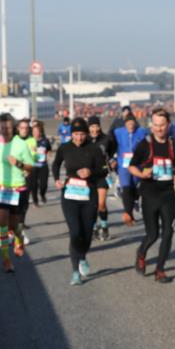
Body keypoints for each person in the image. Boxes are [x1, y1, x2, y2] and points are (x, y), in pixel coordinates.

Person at [129, 107, 175, 283]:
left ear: (168, 125)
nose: (159, 128)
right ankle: (141, 252)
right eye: (155, 125)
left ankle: (160, 270)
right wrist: (141, 174)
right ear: (151, 125)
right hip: (149, 194)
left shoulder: (174, 145)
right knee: (152, 234)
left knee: (168, 233)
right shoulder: (145, 144)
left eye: (162, 125)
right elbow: (132, 166)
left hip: (168, 195)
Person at [52, 117, 108, 285]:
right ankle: (75, 271)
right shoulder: (65, 148)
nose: (79, 138)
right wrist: (56, 179)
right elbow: (55, 165)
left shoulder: (94, 149)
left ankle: (82, 256)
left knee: (87, 233)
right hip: (70, 195)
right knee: (75, 232)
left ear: (87, 134)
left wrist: (91, 172)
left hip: (89, 195)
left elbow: (103, 170)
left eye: (82, 134)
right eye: (76, 134)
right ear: (71, 134)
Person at [0, 113, 35, 273]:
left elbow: (30, 167)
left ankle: (19, 239)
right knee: (1, 222)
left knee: (14, 226)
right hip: (0, 187)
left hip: (17, 188)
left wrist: (18, 163)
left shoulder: (21, 144)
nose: (5, 130)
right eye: (2, 127)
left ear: (13, 127)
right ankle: (6, 259)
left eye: (8, 127)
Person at [113, 114, 147, 226]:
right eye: (128, 123)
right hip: (123, 165)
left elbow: (150, 142)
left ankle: (134, 203)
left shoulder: (142, 131)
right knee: (126, 188)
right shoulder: (118, 132)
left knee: (134, 188)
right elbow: (111, 143)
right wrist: (112, 158)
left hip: (137, 165)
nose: (131, 125)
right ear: (125, 123)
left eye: (132, 123)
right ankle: (128, 213)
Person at [88, 115, 116, 240]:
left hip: (103, 175)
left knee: (101, 204)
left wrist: (113, 160)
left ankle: (104, 228)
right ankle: (94, 228)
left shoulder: (107, 139)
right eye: (92, 126)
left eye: (96, 126)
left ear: (99, 126)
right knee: (91, 205)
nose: (94, 129)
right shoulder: (85, 140)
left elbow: (114, 152)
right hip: (88, 177)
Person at [30, 120, 52, 205]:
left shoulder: (45, 140)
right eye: (34, 131)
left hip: (43, 166)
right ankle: (35, 201)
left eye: (37, 131)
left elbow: (49, 150)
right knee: (34, 185)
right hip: (33, 166)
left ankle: (42, 194)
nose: (36, 133)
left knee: (44, 185)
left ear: (40, 132)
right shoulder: (29, 141)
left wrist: (48, 153)